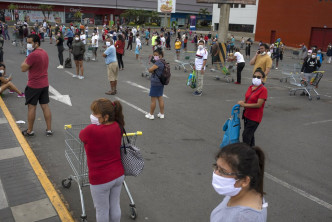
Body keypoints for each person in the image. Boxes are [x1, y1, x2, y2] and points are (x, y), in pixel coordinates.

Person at [79, 98, 125, 222]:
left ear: (105, 117)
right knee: (115, 205)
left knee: (102, 210)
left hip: (100, 179)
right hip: (118, 174)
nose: (92, 116)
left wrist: (95, 125)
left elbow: (81, 136)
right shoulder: (117, 125)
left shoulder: (91, 130)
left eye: (95, 114)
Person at [211, 143, 267, 222]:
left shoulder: (245, 218)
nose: (216, 173)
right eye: (216, 167)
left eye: (223, 171)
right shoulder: (241, 192)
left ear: (244, 181)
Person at [20, 34, 53, 137]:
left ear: (36, 43)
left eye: (30, 43)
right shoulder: (44, 53)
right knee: (45, 106)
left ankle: (30, 130)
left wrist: (27, 56)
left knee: (31, 107)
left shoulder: (33, 55)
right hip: (44, 84)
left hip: (34, 85)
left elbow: (23, 68)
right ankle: (49, 129)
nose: (28, 45)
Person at [237, 68, 267, 146]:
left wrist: (244, 105)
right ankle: (253, 152)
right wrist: (242, 103)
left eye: (258, 77)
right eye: (254, 76)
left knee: (246, 136)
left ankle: (246, 154)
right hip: (247, 115)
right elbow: (247, 99)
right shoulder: (250, 87)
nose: (256, 78)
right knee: (250, 135)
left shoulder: (263, 90)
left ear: (263, 79)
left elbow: (258, 104)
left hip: (255, 118)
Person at [145, 48, 165, 120]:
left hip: (156, 82)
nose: (154, 56)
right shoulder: (163, 61)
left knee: (153, 100)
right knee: (160, 98)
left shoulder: (158, 62)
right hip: (161, 82)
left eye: (156, 55)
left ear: (160, 55)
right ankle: (161, 113)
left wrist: (151, 70)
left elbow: (150, 70)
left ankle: (151, 114)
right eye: (154, 55)